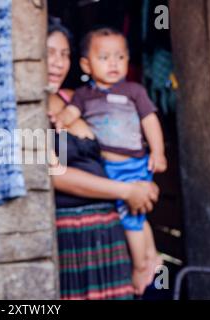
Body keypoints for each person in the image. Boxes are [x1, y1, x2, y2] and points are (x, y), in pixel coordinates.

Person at [47, 18, 159, 299]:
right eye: (48, 53)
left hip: (110, 225)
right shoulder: (26, 109)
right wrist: (127, 190)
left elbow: (122, 142)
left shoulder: (77, 99)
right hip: (73, 232)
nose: (58, 63)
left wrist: (143, 183)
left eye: (64, 54)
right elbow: (51, 173)